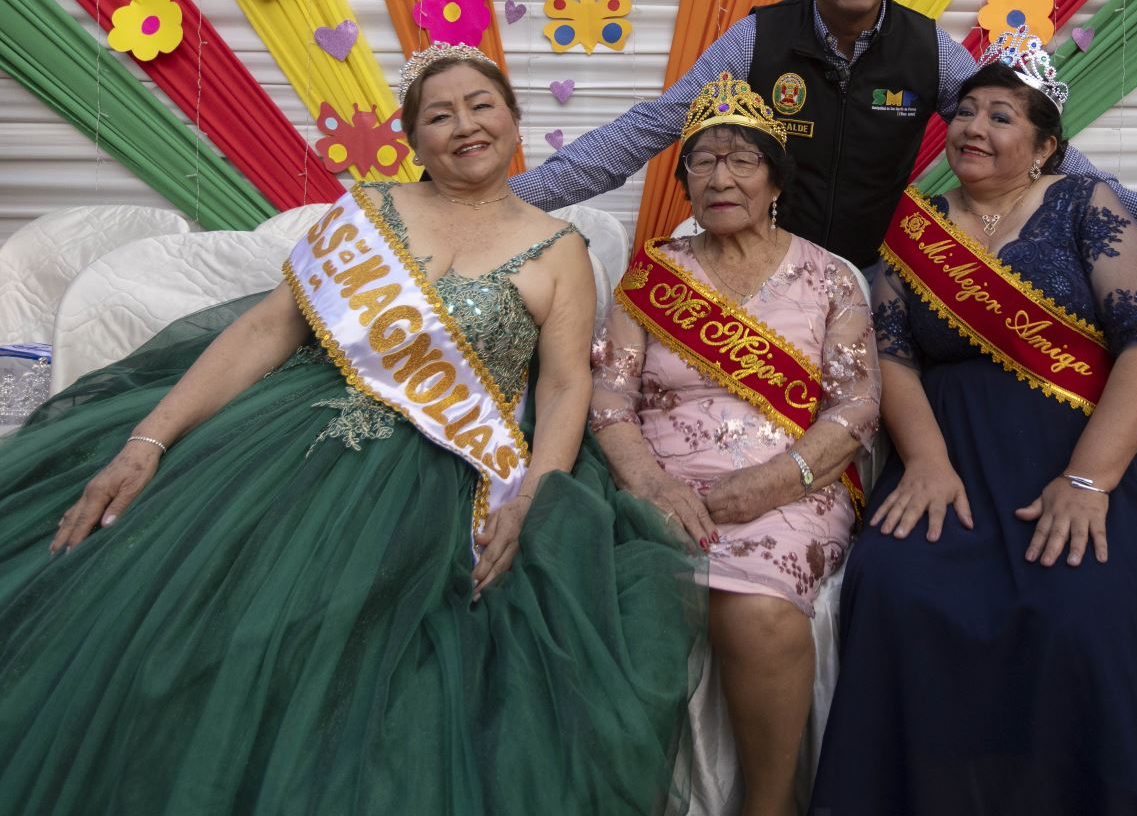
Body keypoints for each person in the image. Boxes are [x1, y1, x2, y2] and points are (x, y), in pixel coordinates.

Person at [0, 44, 704, 816]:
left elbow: (566, 382)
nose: (465, 126)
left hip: (446, 473)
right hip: (283, 444)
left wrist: (536, 494)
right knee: (174, 606)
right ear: (414, 138)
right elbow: (270, 327)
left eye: (481, 105)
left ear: (513, 116)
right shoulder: (365, 212)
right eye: (439, 115)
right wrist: (148, 439)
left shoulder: (563, 248)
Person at [808, 30, 1137, 816]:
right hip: (950, 458)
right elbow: (893, 357)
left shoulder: (1084, 204)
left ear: (1045, 145)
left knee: (1081, 611)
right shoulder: (915, 223)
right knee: (897, 587)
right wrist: (923, 460)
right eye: (964, 112)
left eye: (1001, 115)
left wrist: (1089, 480)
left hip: (1087, 452)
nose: (973, 127)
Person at [510, 0, 1137, 266]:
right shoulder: (757, 39)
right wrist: (504, 200)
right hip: (761, 275)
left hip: (879, 279)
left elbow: (1028, 140)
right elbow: (648, 128)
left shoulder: (930, 51)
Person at [590, 73, 879, 816]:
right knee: (607, 595)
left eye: (741, 159)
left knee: (754, 608)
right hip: (663, 489)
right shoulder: (653, 276)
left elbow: (856, 407)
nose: (720, 176)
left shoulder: (829, 279)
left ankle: (770, 802)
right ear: (683, 179)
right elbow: (612, 405)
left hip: (792, 487)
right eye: (702, 161)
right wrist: (651, 485)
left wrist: (774, 480)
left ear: (775, 177)